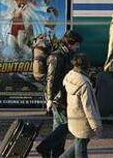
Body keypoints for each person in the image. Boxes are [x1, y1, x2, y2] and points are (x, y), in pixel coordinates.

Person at [36, 30, 83, 158]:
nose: (78, 47)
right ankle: (45, 147)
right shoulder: (56, 57)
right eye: (77, 44)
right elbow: (51, 79)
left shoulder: (66, 55)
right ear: (70, 43)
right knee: (66, 125)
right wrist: (50, 99)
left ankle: (56, 153)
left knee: (58, 126)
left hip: (62, 97)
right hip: (57, 98)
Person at [60, 53, 102, 158]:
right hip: (83, 121)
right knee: (81, 147)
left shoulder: (70, 75)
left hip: (74, 117)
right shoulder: (84, 84)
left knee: (78, 143)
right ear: (87, 66)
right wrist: (95, 126)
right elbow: (88, 107)